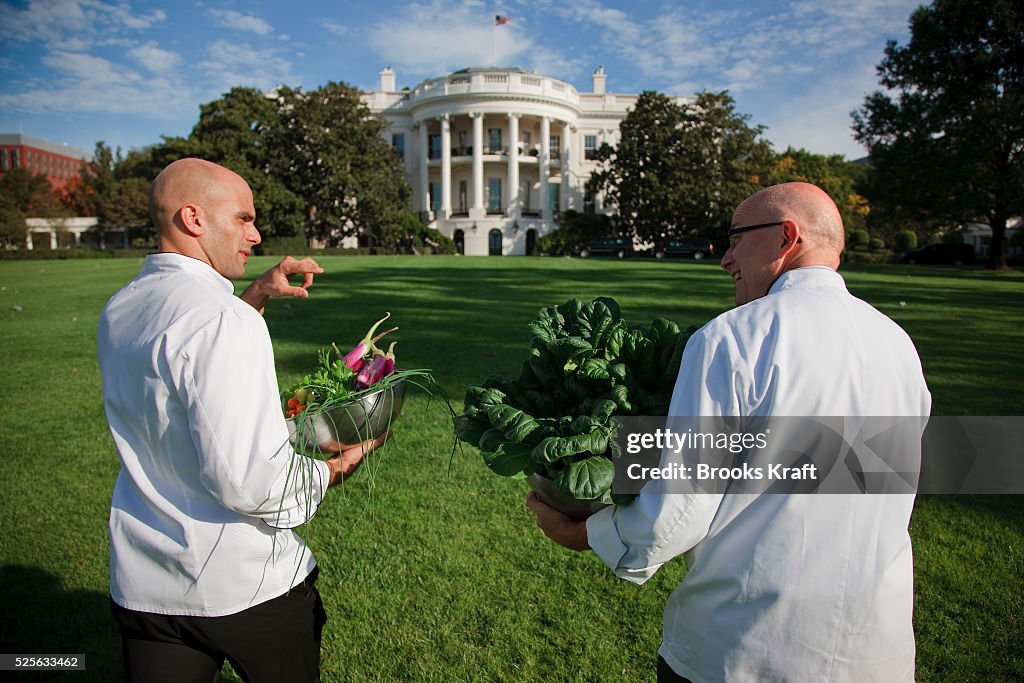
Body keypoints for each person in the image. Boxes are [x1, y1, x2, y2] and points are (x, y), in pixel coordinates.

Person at [527, 182, 931, 682]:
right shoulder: (899, 345)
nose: (725, 258)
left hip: (745, 649)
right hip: (877, 653)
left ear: (787, 236)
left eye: (736, 238)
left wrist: (581, 533)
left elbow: (677, 512)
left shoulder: (732, 337)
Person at [97, 158, 387, 682]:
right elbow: (253, 484)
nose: (255, 234)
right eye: (243, 218)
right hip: (242, 584)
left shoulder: (122, 306)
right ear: (193, 218)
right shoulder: (220, 319)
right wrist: (337, 467)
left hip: (146, 584)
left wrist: (254, 295)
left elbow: (185, 367)